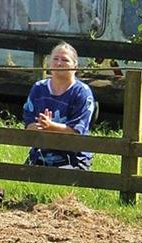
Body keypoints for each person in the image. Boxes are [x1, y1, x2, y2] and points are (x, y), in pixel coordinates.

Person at [23, 41, 96, 169]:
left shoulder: (82, 93)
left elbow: (76, 131)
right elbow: (28, 123)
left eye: (65, 60)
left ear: (75, 65)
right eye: (55, 59)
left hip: (73, 159)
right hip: (39, 156)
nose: (59, 63)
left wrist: (50, 126)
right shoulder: (38, 88)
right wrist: (40, 126)